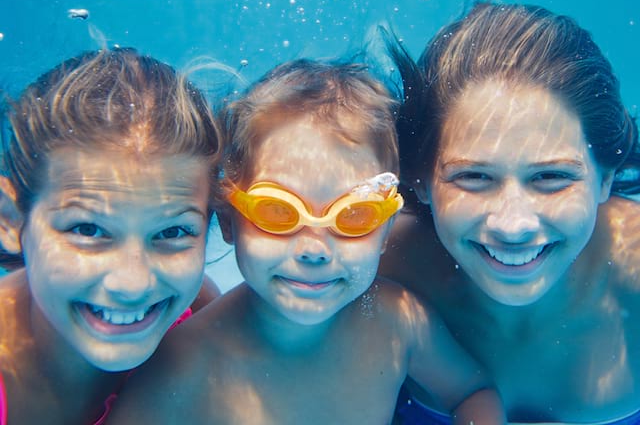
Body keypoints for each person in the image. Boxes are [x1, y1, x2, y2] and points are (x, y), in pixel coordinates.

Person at [107, 59, 506, 425]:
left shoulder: (396, 321)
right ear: (229, 221)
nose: (315, 249)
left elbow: (470, 392)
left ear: (385, 229)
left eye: (354, 215)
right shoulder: (184, 362)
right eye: (278, 212)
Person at [379, 2, 640, 424]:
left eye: (551, 177)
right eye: (475, 176)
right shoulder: (373, 273)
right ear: (421, 180)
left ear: (604, 179)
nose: (513, 224)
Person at [0, 47, 223, 424]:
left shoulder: (197, 313)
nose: (132, 284)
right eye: (87, 229)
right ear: (10, 219)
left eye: (172, 231)